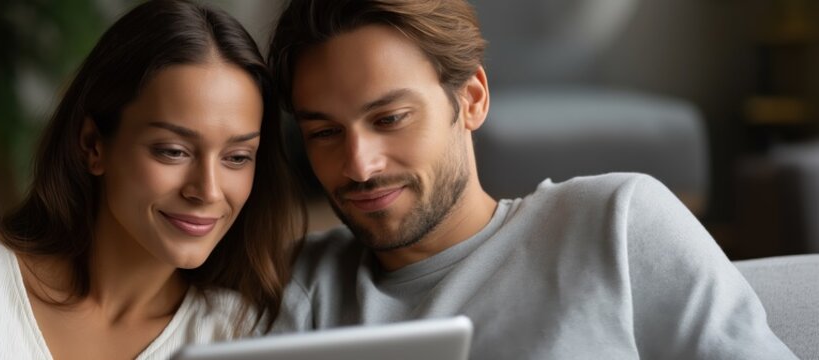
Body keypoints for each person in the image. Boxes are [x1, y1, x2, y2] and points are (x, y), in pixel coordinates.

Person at [265, 0, 798, 358]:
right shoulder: (299, 284)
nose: (359, 165)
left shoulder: (617, 220)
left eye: (390, 119)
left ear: (471, 99)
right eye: (325, 132)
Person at [0, 0, 305, 358]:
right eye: (173, 150)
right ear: (93, 144)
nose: (208, 190)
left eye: (238, 157)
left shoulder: (237, 336)